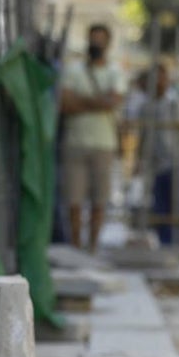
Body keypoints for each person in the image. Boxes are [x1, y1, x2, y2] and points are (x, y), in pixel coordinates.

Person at [59, 23, 125, 254]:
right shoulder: (73, 71)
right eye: (93, 38)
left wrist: (82, 101)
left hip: (104, 145)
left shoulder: (115, 72)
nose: (96, 43)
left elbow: (114, 101)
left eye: (100, 39)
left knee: (99, 200)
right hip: (75, 143)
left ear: (108, 43)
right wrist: (99, 102)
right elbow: (65, 104)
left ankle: (93, 247)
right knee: (74, 200)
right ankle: (76, 247)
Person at [135, 63, 179, 247]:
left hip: (177, 162)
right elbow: (144, 136)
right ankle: (167, 243)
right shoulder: (146, 106)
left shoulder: (176, 102)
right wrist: (139, 160)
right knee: (160, 208)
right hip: (157, 165)